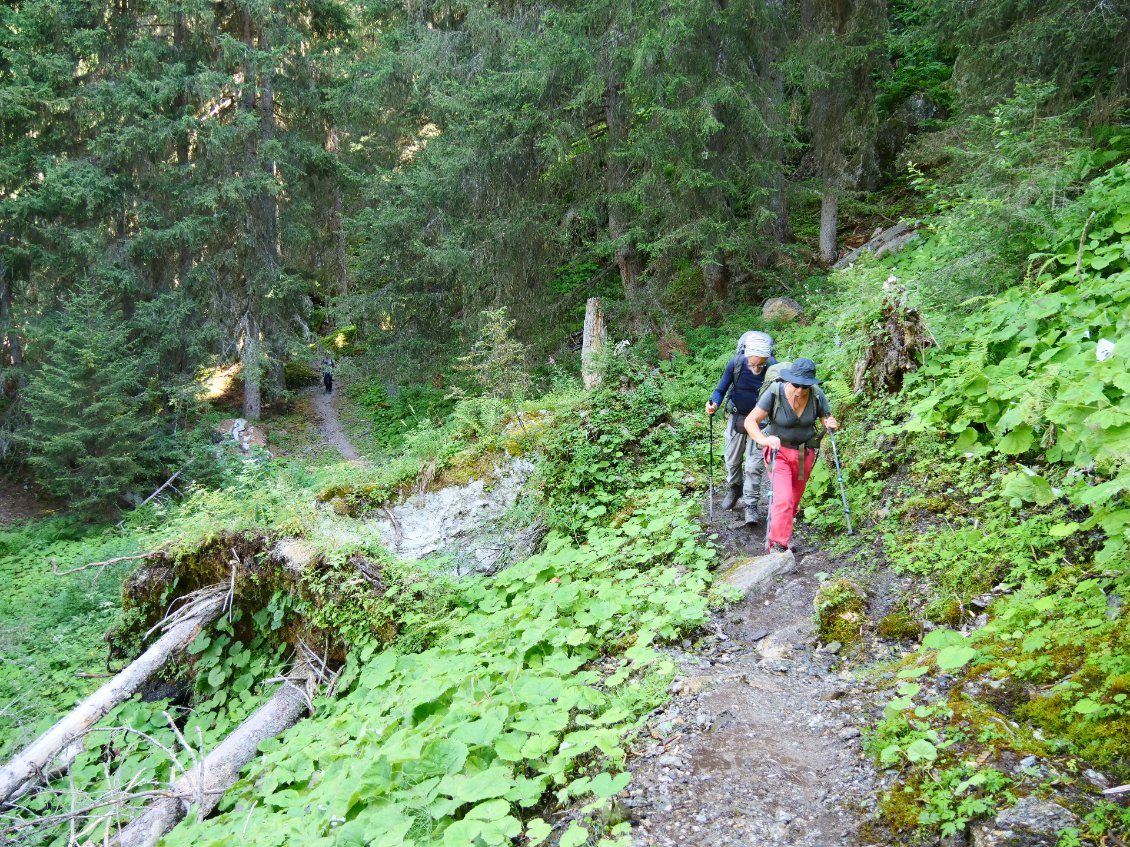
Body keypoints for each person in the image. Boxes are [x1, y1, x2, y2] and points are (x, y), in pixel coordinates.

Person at [744, 357, 838, 552]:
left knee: (792, 502)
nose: (800, 390)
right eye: (796, 384)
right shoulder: (775, 392)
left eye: (805, 386)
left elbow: (826, 419)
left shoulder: (817, 395)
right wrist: (764, 440)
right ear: (790, 379)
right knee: (783, 499)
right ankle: (777, 545)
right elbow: (750, 421)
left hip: (804, 455)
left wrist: (830, 424)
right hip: (779, 453)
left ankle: (782, 536)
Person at [705, 332, 776, 525]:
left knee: (754, 465)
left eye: (760, 364)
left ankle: (751, 505)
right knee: (732, 460)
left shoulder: (772, 367)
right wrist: (714, 404)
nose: (756, 368)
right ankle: (735, 487)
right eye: (753, 363)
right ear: (746, 356)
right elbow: (720, 390)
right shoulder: (735, 364)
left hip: (761, 423)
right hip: (737, 417)